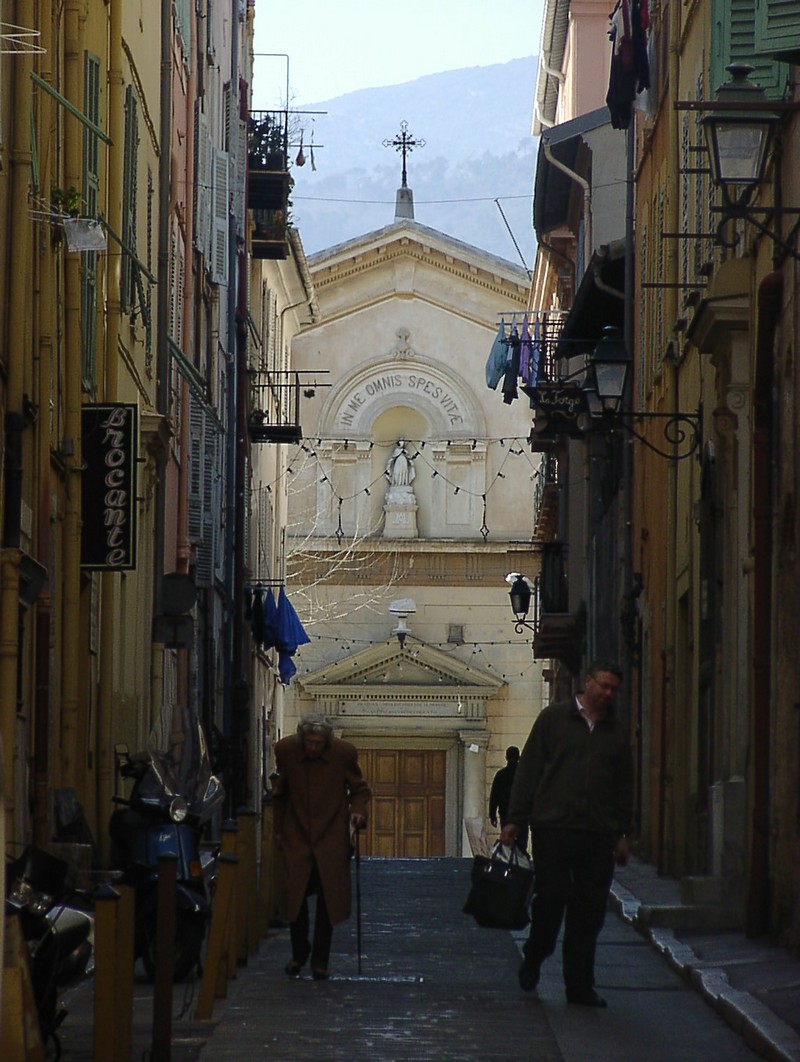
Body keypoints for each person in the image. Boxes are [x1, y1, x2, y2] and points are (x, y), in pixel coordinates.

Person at [500, 661, 633, 1008]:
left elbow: (623, 786)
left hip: (597, 833)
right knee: (551, 900)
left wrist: (622, 834)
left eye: (613, 689)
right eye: (603, 686)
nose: (608, 694)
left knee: (588, 913)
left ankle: (579, 985)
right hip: (554, 828)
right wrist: (515, 818)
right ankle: (535, 955)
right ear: (587, 682)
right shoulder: (554, 720)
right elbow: (528, 770)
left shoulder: (615, 732)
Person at [273, 712, 371, 980]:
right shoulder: (287, 752)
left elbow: (360, 790)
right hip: (297, 834)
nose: (313, 748)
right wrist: (279, 831)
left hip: (331, 836)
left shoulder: (343, 755)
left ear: (326, 742)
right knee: (295, 896)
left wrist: (358, 812)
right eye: (309, 742)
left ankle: (320, 961)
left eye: (318, 743)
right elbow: (279, 795)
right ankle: (299, 951)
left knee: (329, 899)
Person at [489, 746, 528, 853]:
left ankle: (509, 864)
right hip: (522, 814)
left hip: (505, 813)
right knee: (522, 844)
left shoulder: (501, 775)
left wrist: (492, 815)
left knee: (507, 842)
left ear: (506, 757)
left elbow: (494, 796)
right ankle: (521, 864)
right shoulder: (525, 775)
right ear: (519, 757)